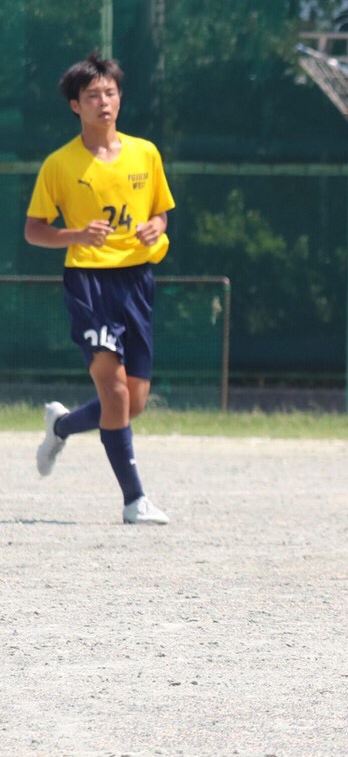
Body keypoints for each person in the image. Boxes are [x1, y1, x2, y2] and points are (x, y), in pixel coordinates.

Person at [26, 53, 175, 526]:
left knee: (133, 402)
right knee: (113, 393)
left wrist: (156, 227)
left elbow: (160, 213)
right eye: (92, 95)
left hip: (137, 281)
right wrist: (73, 235)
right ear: (76, 105)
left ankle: (62, 425)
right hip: (89, 283)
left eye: (110, 92)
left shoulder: (145, 153)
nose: (104, 102)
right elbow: (34, 230)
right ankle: (135, 501)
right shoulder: (60, 163)